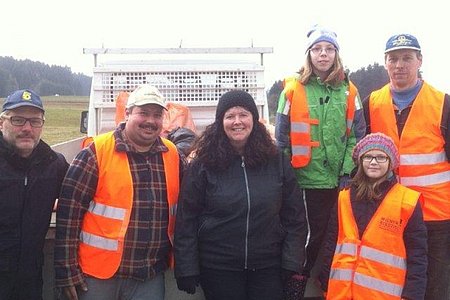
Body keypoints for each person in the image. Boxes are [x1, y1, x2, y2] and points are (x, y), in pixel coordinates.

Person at [174, 90, 308, 300]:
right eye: (230, 116)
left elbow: (295, 218)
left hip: (268, 267)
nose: (237, 122)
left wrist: (292, 261)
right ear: (221, 122)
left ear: (254, 119)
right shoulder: (203, 163)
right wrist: (186, 266)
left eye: (243, 114)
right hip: (218, 267)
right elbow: (186, 219)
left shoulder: (277, 161)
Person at [54, 84, 183, 300]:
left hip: (148, 276)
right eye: (143, 113)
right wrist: (66, 271)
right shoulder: (97, 152)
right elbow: (69, 212)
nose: (150, 121)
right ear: (127, 114)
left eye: (157, 115)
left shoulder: (172, 154)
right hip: (97, 276)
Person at [275, 24, 366, 294]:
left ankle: (326, 281)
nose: (323, 54)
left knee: (335, 234)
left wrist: (348, 171)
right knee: (304, 236)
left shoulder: (350, 91)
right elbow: (282, 139)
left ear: (336, 54)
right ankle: (296, 280)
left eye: (328, 49)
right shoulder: (292, 90)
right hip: (303, 180)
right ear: (309, 54)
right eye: (317, 49)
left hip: (339, 180)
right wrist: (287, 176)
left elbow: (357, 135)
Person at [363, 33, 450, 299]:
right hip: (390, 213)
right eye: (393, 59)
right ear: (385, 63)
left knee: (436, 285)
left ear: (419, 61)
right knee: (393, 283)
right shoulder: (371, 104)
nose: (399, 65)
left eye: (406, 58)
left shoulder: (443, 104)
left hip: (435, 215)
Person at [319, 133, 427, 299]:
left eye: (381, 157)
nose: (374, 162)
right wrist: (325, 282)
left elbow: (417, 255)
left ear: (391, 163)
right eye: (368, 156)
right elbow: (331, 243)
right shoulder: (344, 197)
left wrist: (413, 295)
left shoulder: (408, 201)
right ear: (360, 161)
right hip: (342, 293)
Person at [0, 89, 68, 300]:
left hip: (30, 278)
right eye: (18, 120)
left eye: (35, 121)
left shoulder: (54, 164)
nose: (27, 128)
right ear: (2, 123)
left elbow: (77, 200)